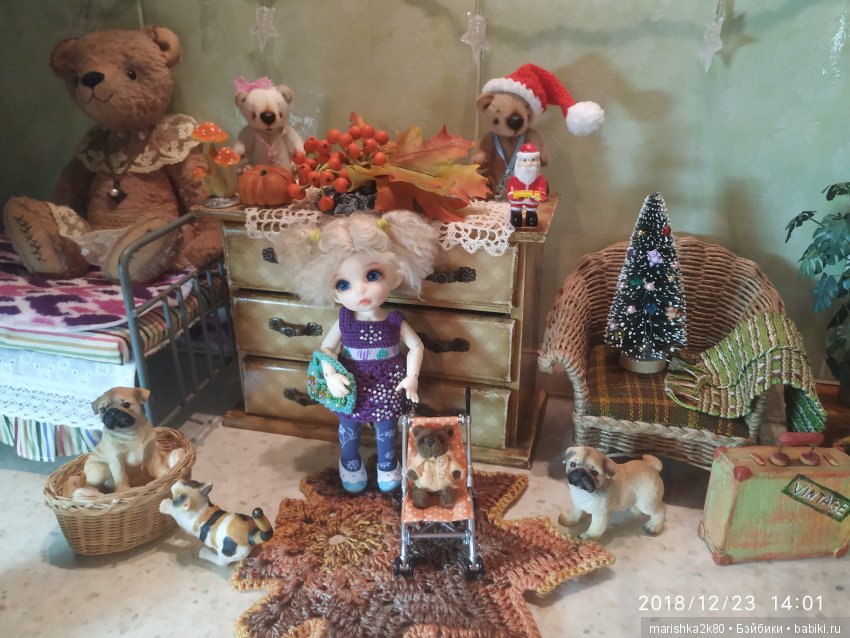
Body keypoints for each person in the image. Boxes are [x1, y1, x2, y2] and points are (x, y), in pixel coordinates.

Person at [280, 211, 439, 493]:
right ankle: (349, 462)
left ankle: (387, 464)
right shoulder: (345, 320)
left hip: (389, 380)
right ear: (333, 292)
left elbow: (416, 345)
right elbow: (326, 348)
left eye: (372, 275)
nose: (360, 291)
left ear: (396, 275)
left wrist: (412, 377)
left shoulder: (393, 320)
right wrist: (330, 373)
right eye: (343, 284)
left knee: (386, 426)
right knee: (349, 426)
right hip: (351, 380)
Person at [506, 142, 549, 227]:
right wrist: (514, 194)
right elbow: (511, 191)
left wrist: (539, 195)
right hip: (517, 201)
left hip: (532, 202)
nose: (528, 164)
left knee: (532, 217)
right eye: (524, 160)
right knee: (516, 217)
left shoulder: (539, 179)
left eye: (533, 160)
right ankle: (516, 216)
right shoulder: (514, 179)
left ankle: (531, 216)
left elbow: (542, 192)